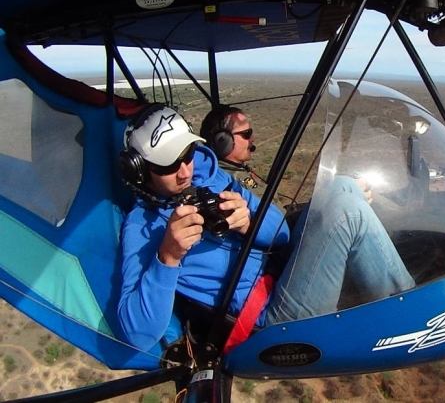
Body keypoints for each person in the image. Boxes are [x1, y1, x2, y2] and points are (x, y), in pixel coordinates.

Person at [117, 104, 415, 350]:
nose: (184, 171)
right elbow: (138, 335)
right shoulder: (142, 228)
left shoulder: (210, 179)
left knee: (342, 186)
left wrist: (249, 222)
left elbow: (282, 234)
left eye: (187, 154)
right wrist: (167, 258)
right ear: (141, 170)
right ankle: (409, 316)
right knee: (346, 214)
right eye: (169, 165)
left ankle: (393, 291)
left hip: (282, 272)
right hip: (270, 321)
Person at [199, 105, 261, 192]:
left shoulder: (232, 171)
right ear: (223, 140)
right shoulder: (232, 183)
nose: (253, 138)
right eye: (247, 133)